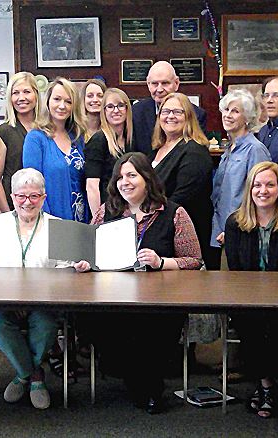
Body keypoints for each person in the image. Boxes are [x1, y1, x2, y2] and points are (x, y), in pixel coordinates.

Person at [76, 152, 202, 414]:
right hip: (114, 296)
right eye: (121, 177)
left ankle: (148, 386)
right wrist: (86, 263)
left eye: (132, 175)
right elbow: (87, 251)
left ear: (147, 178)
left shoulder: (173, 212)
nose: (126, 182)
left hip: (159, 299)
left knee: (149, 326)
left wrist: (161, 262)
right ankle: (139, 382)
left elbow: (194, 260)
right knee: (98, 320)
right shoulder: (105, 211)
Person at [0, 168, 71, 410]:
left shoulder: (58, 227)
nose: (27, 202)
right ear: (12, 197)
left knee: (47, 323)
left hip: (44, 301)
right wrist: (10, 301)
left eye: (34, 196)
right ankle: (35, 374)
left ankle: (23, 376)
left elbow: (64, 274)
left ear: (43, 198)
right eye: (21, 196)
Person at [224, 161, 278, 418]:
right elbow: (237, 273)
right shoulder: (235, 223)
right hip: (247, 300)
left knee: (276, 326)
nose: (263, 190)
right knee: (251, 325)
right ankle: (267, 386)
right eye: (258, 185)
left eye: (270, 185)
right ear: (249, 189)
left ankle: (265, 387)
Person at [150, 92, 214, 267]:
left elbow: (183, 198)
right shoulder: (158, 148)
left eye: (178, 112)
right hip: (161, 232)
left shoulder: (194, 151)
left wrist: (150, 217)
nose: (170, 116)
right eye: (166, 111)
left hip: (184, 236)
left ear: (189, 117)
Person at [209, 89, 271, 270]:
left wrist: (235, 228)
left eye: (235, 111)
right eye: (226, 110)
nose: (228, 115)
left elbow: (262, 197)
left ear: (247, 117)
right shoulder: (229, 149)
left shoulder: (255, 149)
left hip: (243, 233)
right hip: (221, 232)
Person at [22, 77, 89, 223]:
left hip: (81, 219)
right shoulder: (35, 138)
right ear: (48, 102)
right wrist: (47, 220)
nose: (62, 106)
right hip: (50, 219)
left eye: (68, 101)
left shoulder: (78, 137)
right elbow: (32, 186)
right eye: (57, 99)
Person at [0, 72, 41, 212]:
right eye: (15, 93)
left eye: (26, 92)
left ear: (36, 94)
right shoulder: (3, 132)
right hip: (14, 205)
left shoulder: (46, 130)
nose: (21, 98)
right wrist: (9, 214)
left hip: (43, 203)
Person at [131, 61, 207, 154]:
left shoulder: (196, 114)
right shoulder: (136, 112)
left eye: (165, 83)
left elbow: (194, 153)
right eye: (154, 83)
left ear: (176, 83)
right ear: (148, 84)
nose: (159, 89)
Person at [84, 87, 133, 216]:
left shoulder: (131, 141)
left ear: (127, 109)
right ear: (104, 111)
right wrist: (98, 219)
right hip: (107, 213)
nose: (116, 111)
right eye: (110, 106)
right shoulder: (98, 140)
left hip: (127, 210)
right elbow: (92, 186)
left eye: (121, 105)